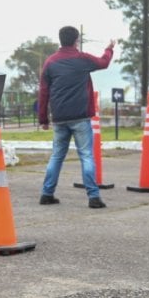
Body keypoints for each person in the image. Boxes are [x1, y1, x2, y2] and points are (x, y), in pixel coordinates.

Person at [37, 27, 115, 208]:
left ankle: (46, 194)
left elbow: (43, 92)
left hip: (59, 118)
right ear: (76, 40)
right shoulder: (82, 59)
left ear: (60, 40)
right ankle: (93, 197)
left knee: (56, 156)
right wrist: (109, 48)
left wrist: (43, 119)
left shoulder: (50, 62)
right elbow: (104, 62)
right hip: (80, 117)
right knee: (86, 156)